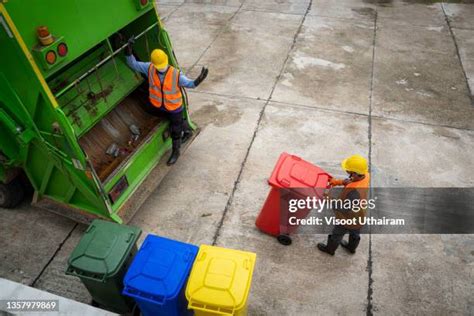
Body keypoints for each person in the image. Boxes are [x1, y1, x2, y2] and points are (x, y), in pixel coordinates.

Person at [124, 37, 208, 165]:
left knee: (175, 130)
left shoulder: (175, 74)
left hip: (174, 108)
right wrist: (128, 52)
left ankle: (176, 151)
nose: (161, 68)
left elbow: (190, 84)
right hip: (159, 106)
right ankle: (187, 130)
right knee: (177, 122)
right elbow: (133, 64)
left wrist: (198, 80)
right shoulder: (149, 68)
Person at [317, 154, 370, 256]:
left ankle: (330, 249)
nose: (347, 172)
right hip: (360, 216)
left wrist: (328, 199)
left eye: (349, 171)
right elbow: (350, 181)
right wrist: (337, 182)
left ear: (354, 173)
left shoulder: (354, 192)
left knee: (337, 234)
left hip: (347, 218)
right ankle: (351, 248)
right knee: (355, 233)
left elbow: (343, 208)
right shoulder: (365, 175)